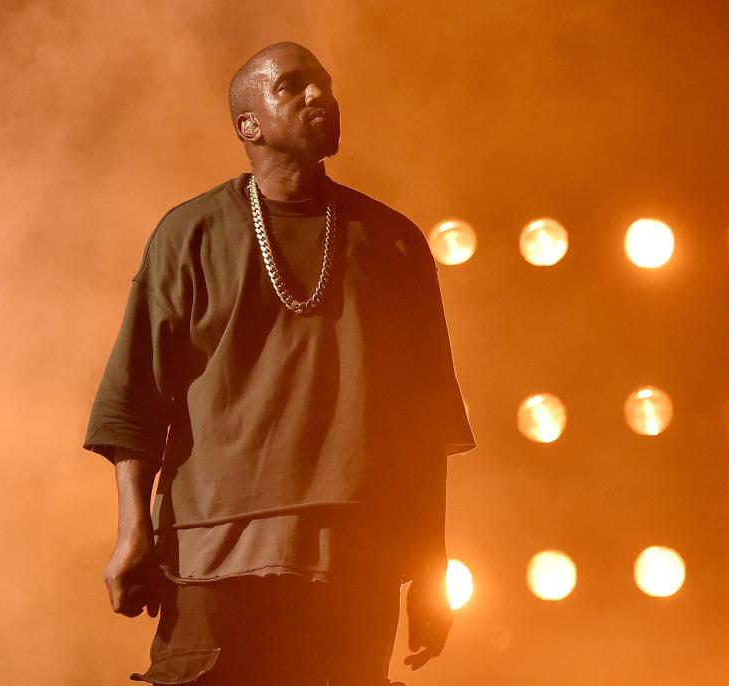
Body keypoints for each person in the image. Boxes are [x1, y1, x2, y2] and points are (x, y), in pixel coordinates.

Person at [82, 41, 477, 685]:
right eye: (292, 86)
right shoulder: (192, 233)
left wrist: (431, 571)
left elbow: (423, 425)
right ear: (249, 124)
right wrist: (132, 534)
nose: (320, 96)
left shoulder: (393, 242)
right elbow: (136, 401)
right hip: (213, 551)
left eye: (325, 84)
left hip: (355, 554)